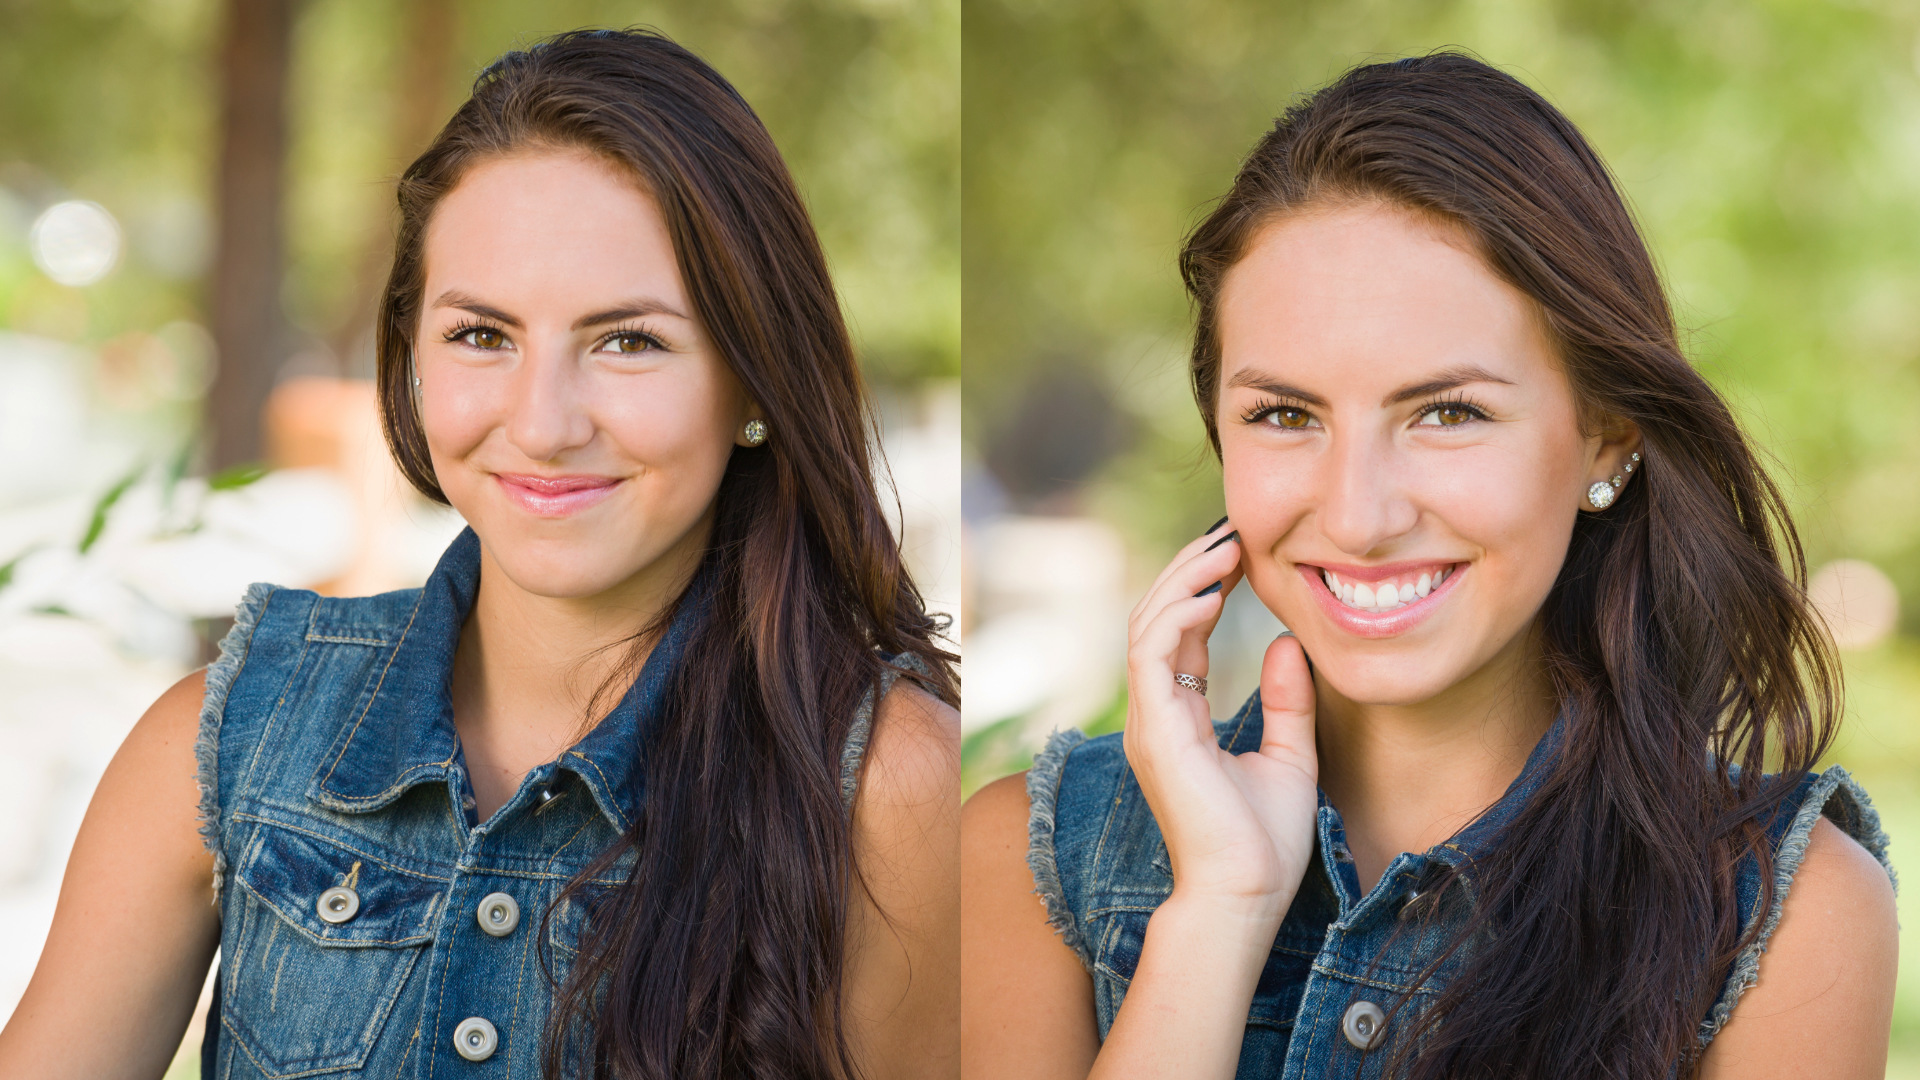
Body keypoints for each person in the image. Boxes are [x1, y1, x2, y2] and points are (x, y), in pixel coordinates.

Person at [0, 28, 959, 1080]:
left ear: (753, 381)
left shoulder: (890, 790)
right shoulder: (229, 736)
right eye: (481, 336)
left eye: (628, 341)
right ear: (412, 353)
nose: (542, 423)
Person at [961, 53, 1895, 1080]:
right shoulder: (1029, 863)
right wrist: (1219, 911)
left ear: (1607, 440)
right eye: (1284, 415)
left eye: (1449, 413)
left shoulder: (1781, 916)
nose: (1359, 517)